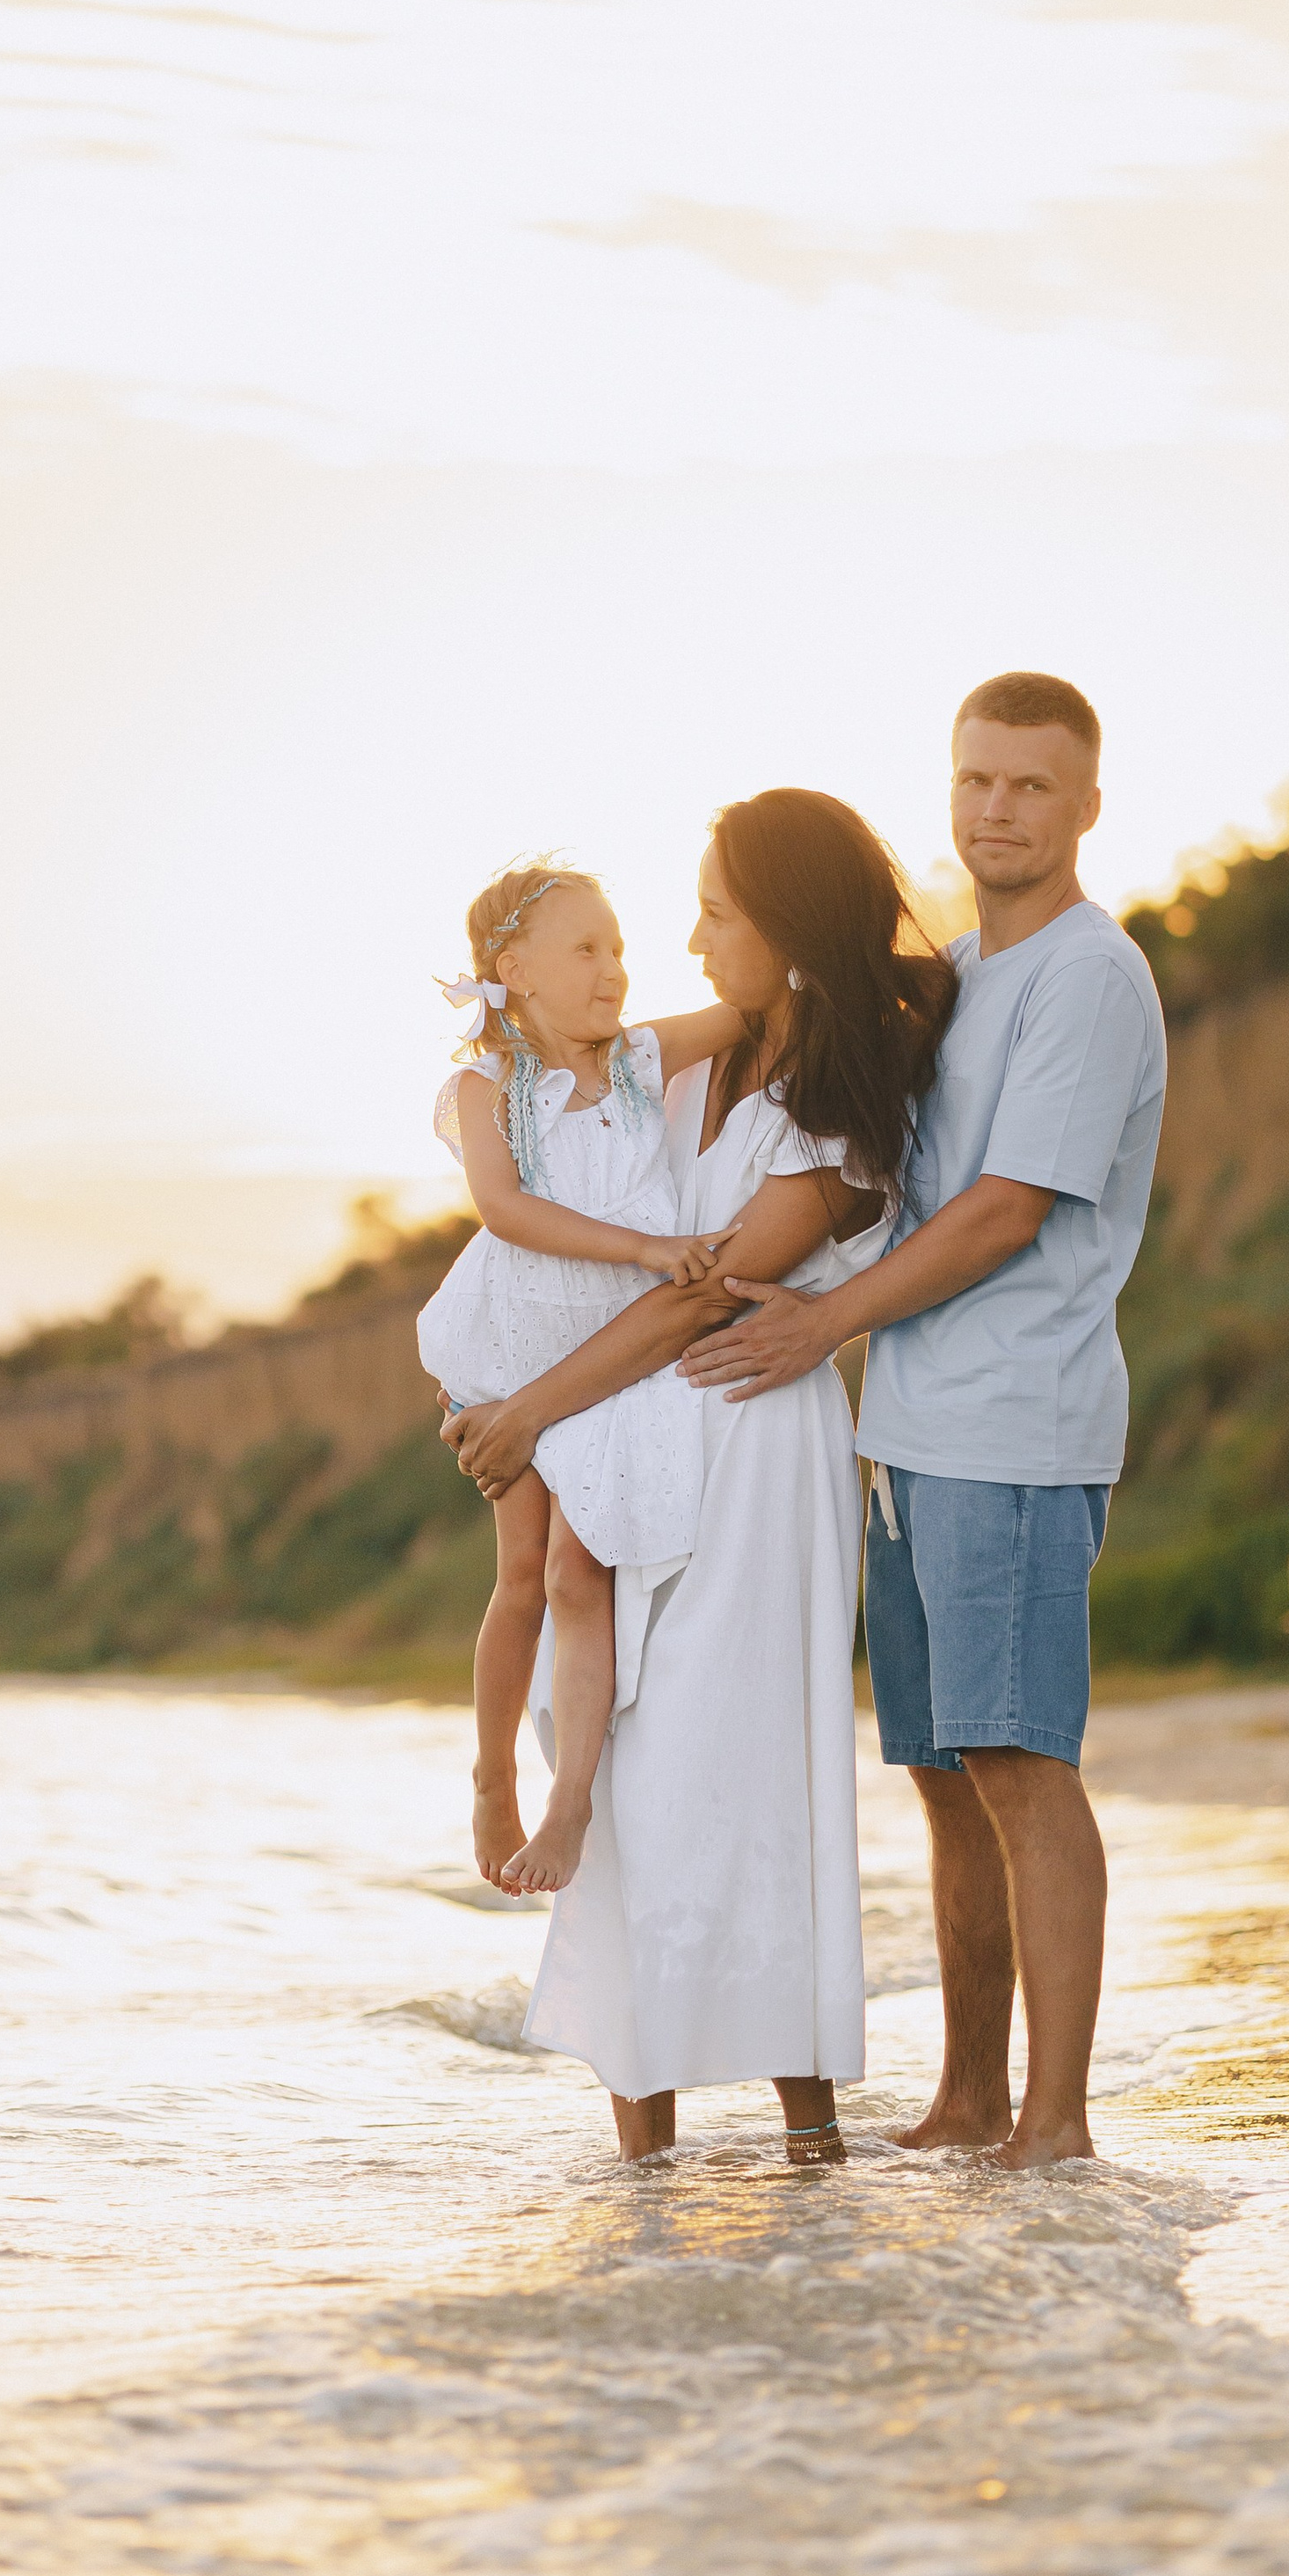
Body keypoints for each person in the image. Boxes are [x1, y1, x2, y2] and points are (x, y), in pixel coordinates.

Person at [687, 672, 1166, 2168]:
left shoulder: (1091, 977)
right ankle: (968, 2101)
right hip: (907, 1433)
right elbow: (763, 1015)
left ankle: (1057, 2121)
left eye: (1032, 786)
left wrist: (824, 1323)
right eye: (976, 782)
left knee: (1023, 1766)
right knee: (949, 1781)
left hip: (1012, 1430)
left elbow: (1010, 1212)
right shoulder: (959, 974)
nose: (998, 810)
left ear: (1087, 807)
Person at [446, 793, 955, 2164]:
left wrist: (526, 1415)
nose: (685, 939)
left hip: (750, 1443)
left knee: (735, 1764)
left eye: (718, 912)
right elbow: (556, 1200)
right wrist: (521, 1398)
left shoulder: (836, 1107)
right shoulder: (676, 1069)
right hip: (631, 1423)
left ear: (785, 931)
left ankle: (807, 2130)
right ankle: (644, 2147)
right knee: (611, 1746)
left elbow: (717, 1289)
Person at [416, 864, 736, 1896]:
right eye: (588, 950)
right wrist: (645, 1249)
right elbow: (506, 1211)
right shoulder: (485, 1090)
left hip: (618, 1365)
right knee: (520, 1578)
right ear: (516, 971)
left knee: (577, 1575)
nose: (616, 969)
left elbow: (753, 1008)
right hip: (514, 1350)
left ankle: (573, 1803)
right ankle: (491, 1773)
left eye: (619, 947)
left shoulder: (642, 1059)